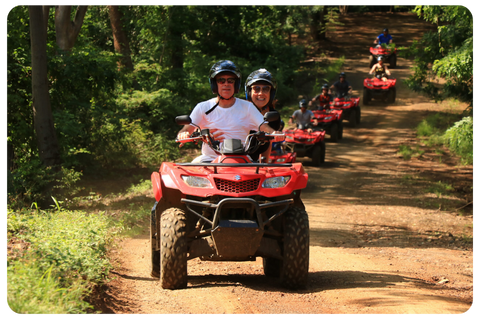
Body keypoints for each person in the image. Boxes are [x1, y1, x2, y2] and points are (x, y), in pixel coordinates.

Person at [176, 60, 281, 163]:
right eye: (221, 80)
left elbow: (266, 129)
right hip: (209, 160)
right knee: (187, 174)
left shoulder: (248, 107)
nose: (226, 84)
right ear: (214, 84)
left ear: (236, 84)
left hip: (241, 160)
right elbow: (185, 130)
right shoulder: (202, 107)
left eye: (230, 81)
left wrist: (275, 134)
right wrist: (183, 135)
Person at [245, 68, 281, 163]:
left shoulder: (273, 117)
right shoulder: (238, 109)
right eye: (256, 88)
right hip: (230, 161)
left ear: (271, 93)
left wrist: (264, 166)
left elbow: (267, 144)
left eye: (266, 89)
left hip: (254, 164)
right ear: (249, 92)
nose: (261, 93)